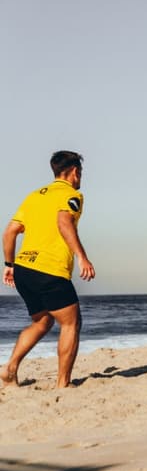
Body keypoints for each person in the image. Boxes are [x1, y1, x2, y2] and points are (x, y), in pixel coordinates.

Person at [1, 151, 96, 388]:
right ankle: (63, 383)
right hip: (50, 269)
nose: (80, 177)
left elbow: (10, 231)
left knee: (42, 322)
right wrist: (82, 257)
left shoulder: (33, 196)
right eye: (80, 173)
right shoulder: (72, 195)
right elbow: (63, 222)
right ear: (75, 171)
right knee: (71, 323)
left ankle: (9, 370)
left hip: (23, 268)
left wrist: (9, 264)